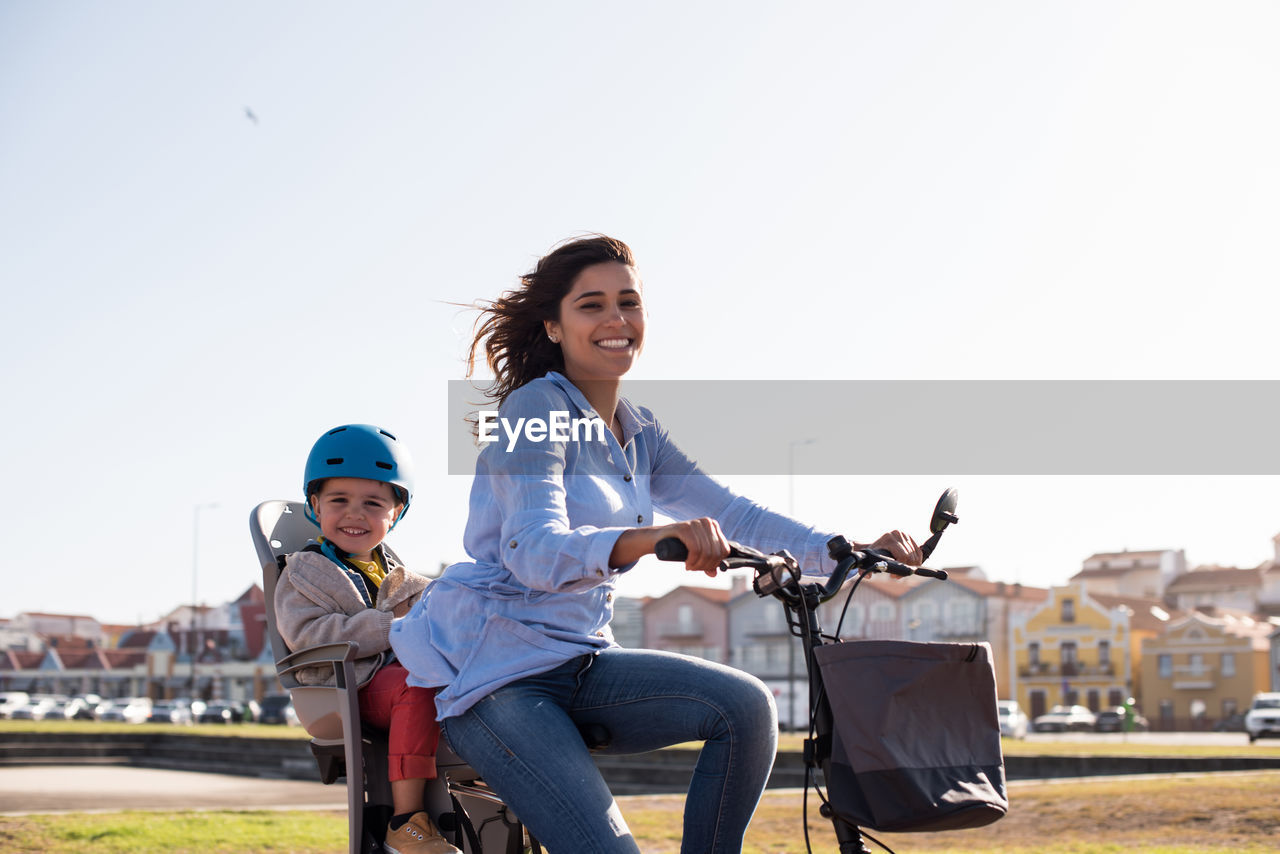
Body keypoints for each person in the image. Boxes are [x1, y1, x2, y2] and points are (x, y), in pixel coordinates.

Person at [391, 235, 921, 853]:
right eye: (591, 305)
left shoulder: (639, 431)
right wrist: (651, 537)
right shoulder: (534, 411)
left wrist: (846, 549)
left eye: (628, 302)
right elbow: (534, 551)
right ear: (554, 327)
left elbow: (729, 511)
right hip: (497, 674)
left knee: (746, 708)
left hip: (581, 657)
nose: (616, 319)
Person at [275, 424, 461, 854]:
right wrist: (389, 627)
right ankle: (405, 822)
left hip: (399, 683)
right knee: (419, 685)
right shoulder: (303, 572)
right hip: (345, 687)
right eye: (339, 501)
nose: (355, 514)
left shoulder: (403, 579)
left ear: (395, 514)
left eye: (373, 504)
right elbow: (306, 636)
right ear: (315, 506)